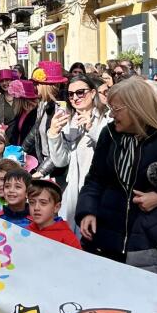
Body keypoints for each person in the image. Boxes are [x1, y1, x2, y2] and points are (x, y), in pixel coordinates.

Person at [76, 78, 157, 278]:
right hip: (106, 238)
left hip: (152, 243)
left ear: (136, 108)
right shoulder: (108, 135)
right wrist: (87, 211)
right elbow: (95, 180)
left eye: (116, 109)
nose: (111, 114)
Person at [48, 74, 110, 229]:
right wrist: (54, 134)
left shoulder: (107, 118)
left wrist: (92, 129)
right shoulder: (70, 120)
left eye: (80, 92)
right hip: (72, 194)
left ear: (93, 93)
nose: (75, 98)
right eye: (70, 94)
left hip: (97, 193)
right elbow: (61, 161)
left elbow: (110, 153)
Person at [27, 179, 82, 248]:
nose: (36, 208)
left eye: (43, 203)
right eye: (32, 202)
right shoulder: (26, 231)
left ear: (56, 207)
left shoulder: (68, 239)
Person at [4, 80, 40, 149]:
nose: (13, 98)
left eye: (14, 96)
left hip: (30, 154)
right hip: (19, 151)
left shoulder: (36, 113)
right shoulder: (21, 111)